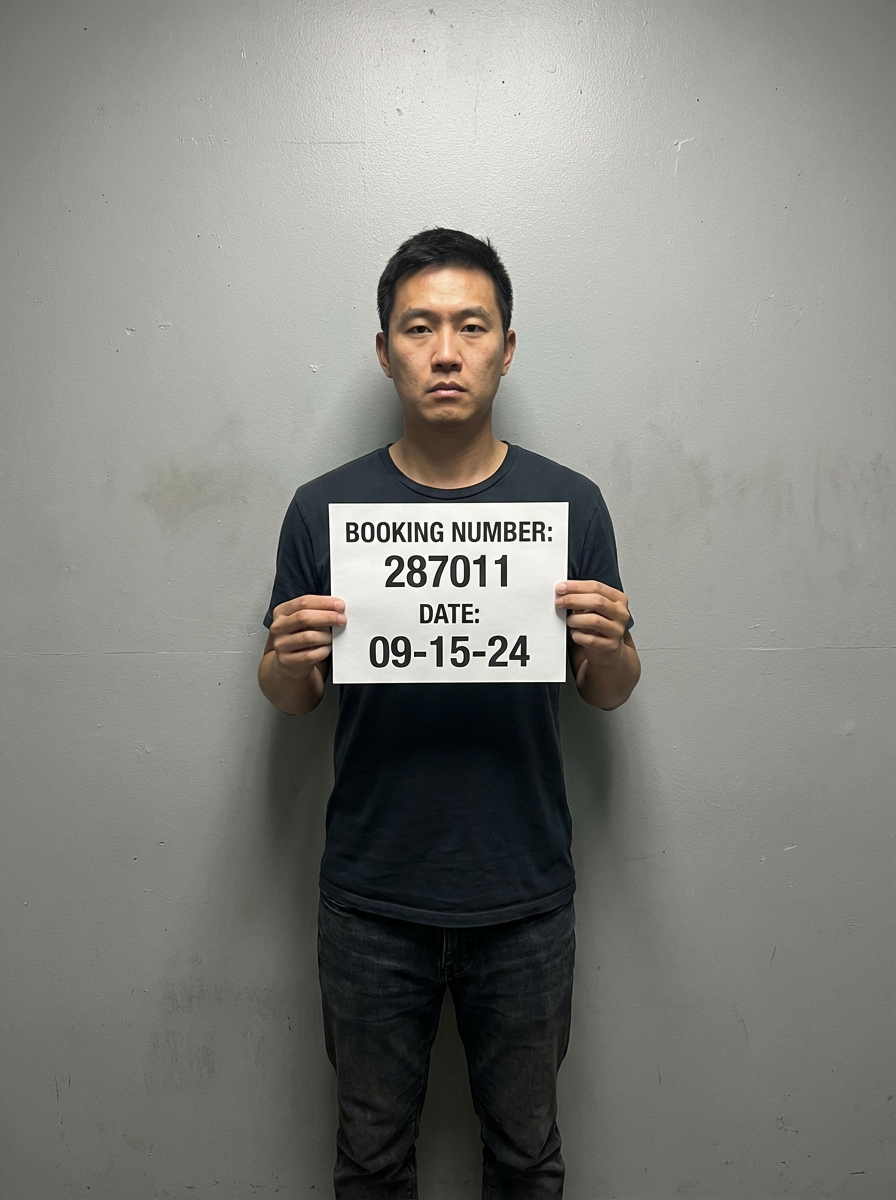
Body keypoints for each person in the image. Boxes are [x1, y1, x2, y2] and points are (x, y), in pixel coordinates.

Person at [258, 228, 640, 1199]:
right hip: (369, 897)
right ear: (383, 349)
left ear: (505, 349)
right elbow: (292, 697)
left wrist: (609, 643)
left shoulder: (567, 504)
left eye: (470, 327)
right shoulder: (323, 510)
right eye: (418, 327)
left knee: (526, 1161)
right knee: (370, 1163)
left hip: (523, 895)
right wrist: (283, 660)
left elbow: (607, 689)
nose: (444, 351)